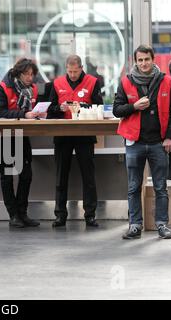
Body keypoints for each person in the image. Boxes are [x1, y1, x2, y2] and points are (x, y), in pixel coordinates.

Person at [113, 45, 171, 240]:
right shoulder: (126, 82)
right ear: (135, 61)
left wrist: (169, 137)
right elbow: (117, 110)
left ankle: (162, 224)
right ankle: (135, 225)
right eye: (140, 60)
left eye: (146, 59)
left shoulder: (166, 81)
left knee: (160, 186)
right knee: (134, 186)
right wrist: (134, 106)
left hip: (159, 142)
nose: (143, 64)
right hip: (134, 142)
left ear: (153, 59)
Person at [0, 58, 45, 228]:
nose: (30, 78)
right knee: (7, 177)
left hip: (21, 135)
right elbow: (0, 112)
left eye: (32, 74)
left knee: (26, 175)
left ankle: (23, 213)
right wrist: (24, 114)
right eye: (26, 74)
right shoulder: (3, 88)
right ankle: (13, 215)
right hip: (2, 136)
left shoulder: (33, 89)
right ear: (18, 73)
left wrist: (36, 114)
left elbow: (31, 110)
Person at [47, 55, 103, 228]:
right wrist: (59, 108)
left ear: (81, 68)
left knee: (88, 176)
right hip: (62, 135)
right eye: (69, 71)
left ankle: (90, 215)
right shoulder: (56, 84)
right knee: (60, 176)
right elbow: (50, 110)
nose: (72, 75)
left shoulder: (93, 82)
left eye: (75, 71)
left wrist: (82, 106)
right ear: (66, 68)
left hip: (85, 135)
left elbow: (99, 107)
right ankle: (60, 215)